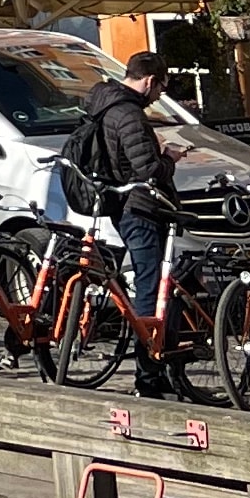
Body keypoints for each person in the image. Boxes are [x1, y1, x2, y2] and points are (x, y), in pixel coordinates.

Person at [79, 51, 183, 394]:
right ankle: (148, 375)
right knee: (151, 288)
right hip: (140, 207)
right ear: (150, 81)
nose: (158, 98)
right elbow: (147, 171)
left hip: (118, 204)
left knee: (153, 280)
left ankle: (162, 362)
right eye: (160, 91)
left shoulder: (100, 103)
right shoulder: (129, 114)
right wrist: (168, 158)